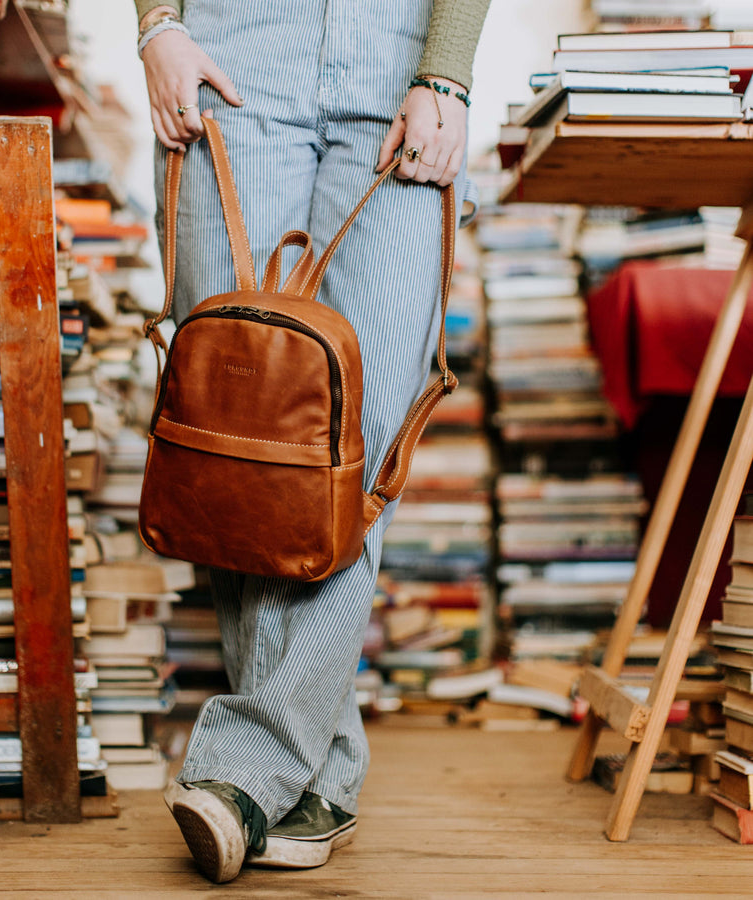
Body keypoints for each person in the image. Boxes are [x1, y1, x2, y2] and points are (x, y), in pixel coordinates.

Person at [134, 0, 491, 884]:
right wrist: (157, 26)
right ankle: (313, 778)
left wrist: (444, 70)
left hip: (400, 54)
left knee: (354, 447)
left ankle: (244, 774)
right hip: (233, 49)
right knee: (238, 435)